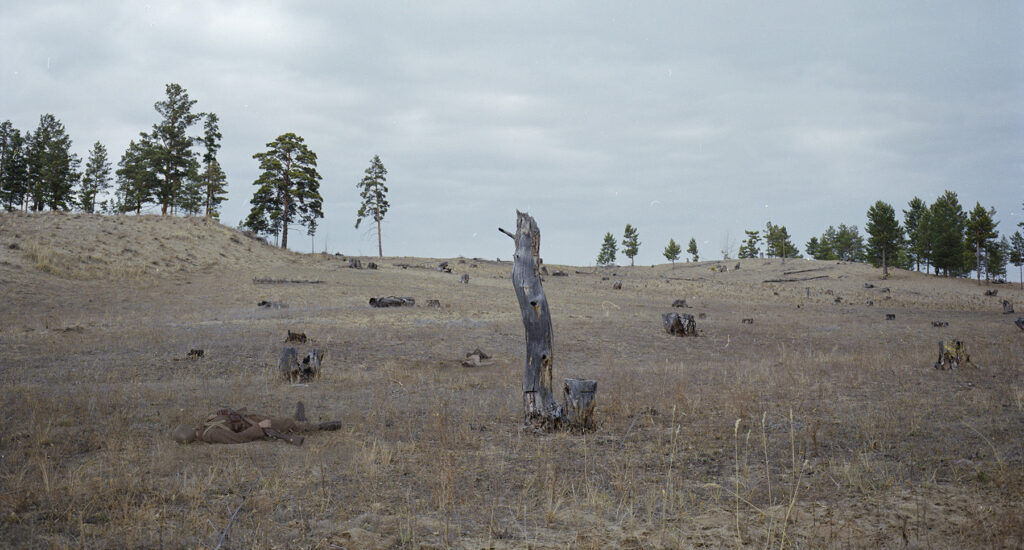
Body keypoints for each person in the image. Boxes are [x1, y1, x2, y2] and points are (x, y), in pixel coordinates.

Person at [171, 402, 340, 446]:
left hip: (247, 418)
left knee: (283, 422)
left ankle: (299, 422)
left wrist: (217, 414)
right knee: (285, 423)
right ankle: (318, 427)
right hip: (251, 425)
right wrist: (260, 428)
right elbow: (239, 439)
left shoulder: (205, 428)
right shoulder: (212, 434)